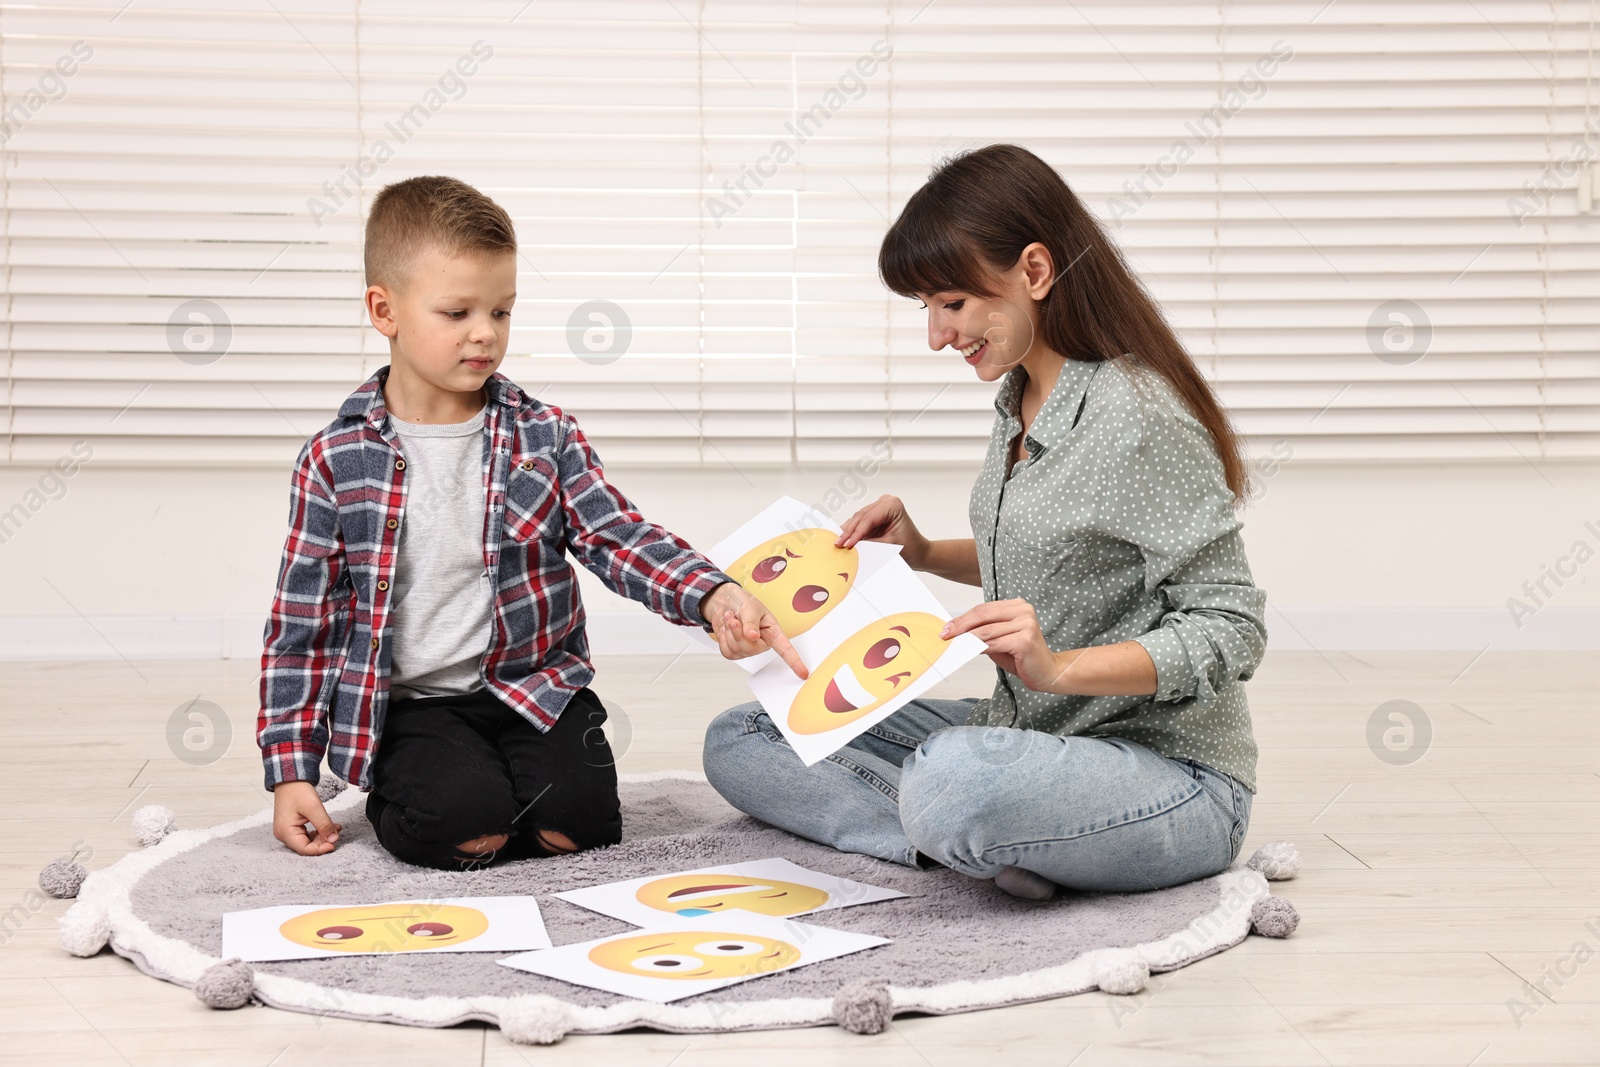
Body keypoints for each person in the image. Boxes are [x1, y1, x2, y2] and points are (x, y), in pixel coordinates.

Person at [703, 144, 1266, 899]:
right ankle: (965, 843)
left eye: (952, 303)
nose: (938, 335)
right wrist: (924, 551)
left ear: (1034, 272)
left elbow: (1232, 627)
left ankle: (959, 821)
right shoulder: (1020, 401)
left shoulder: (1137, 416)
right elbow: (1057, 556)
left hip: (1170, 774)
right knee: (744, 737)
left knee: (952, 778)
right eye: (928, 309)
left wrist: (1058, 666)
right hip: (1034, 734)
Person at [259, 176, 802, 871]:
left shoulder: (543, 435)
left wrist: (711, 594)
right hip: (416, 704)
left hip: (534, 688)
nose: (485, 332)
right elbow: (301, 624)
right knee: (465, 830)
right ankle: (421, 780)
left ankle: (517, 778)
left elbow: (618, 536)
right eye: (456, 311)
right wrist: (291, 768)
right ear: (383, 309)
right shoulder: (336, 459)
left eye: (502, 311)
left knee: (580, 831)